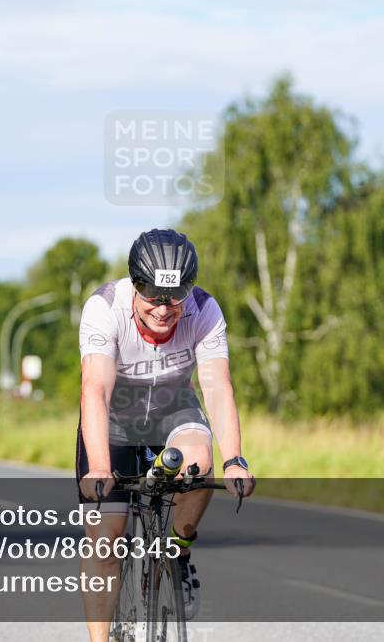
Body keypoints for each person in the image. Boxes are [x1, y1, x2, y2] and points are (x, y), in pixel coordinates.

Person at [76, 228, 255, 641]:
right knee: (106, 542)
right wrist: (100, 466)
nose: (164, 308)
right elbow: (95, 390)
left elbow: (216, 387)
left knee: (200, 462)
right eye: (153, 294)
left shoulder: (204, 309)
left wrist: (234, 458)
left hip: (174, 410)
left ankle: (177, 551)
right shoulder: (105, 308)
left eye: (174, 297)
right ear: (135, 285)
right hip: (115, 421)